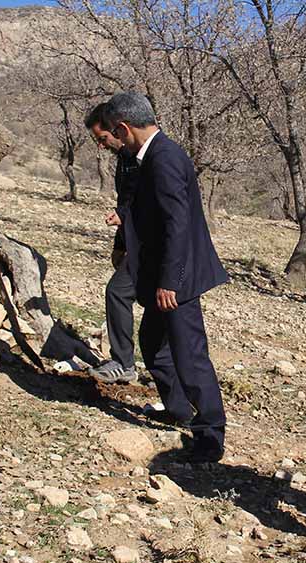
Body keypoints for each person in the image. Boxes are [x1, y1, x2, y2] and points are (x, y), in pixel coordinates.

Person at [102, 91, 229, 462]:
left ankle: (209, 438)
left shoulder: (164, 158)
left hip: (178, 279)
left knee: (189, 356)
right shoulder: (151, 157)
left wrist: (171, 281)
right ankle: (179, 410)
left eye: (114, 133)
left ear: (124, 127)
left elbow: (179, 225)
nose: (114, 141)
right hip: (163, 275)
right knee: (153, 342)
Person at [84, 102, 140, 384]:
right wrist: (120, 245)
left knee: (118, 293)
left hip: (155, 244)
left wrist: (126, 218)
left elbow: (148, 203)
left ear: (118, 129)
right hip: (134, 241)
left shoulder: (145, 158)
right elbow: (125, 203)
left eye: (103, 139)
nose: (101, 146)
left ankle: (124, 362)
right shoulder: (125, 158)